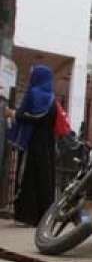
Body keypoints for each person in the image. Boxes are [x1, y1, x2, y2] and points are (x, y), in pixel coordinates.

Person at [5, 65, 57, 227]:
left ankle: (29, 216)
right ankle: (43, 217)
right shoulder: (52, 98)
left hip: (35, 143)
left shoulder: (34, 93)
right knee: (45, 180)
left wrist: (14, 114)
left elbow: (33, 118)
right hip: (48, 145)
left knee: (29, 177)